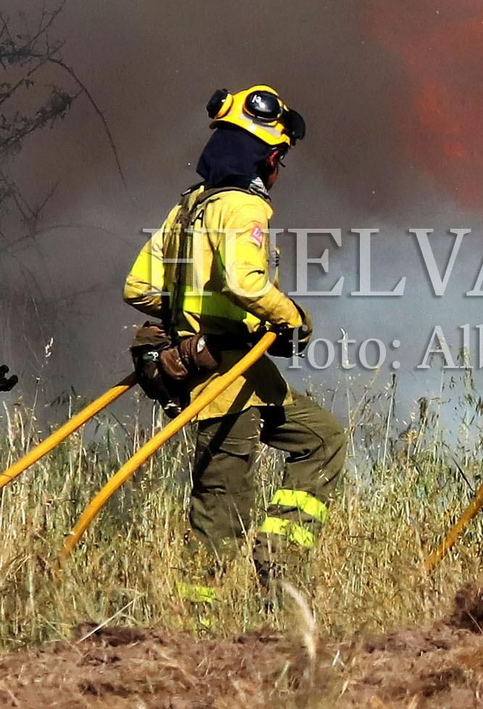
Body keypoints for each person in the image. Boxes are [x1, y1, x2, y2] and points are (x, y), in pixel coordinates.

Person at [123, 85, 346, 595]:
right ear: (268, 156)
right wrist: (292, 318)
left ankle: (279, 560)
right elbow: (246, 283)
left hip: (243, 368)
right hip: (221, 380)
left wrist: (184, 316)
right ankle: (199, 629)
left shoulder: (188, 208)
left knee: (322, 438)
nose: (277, 170)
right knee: (222, 509)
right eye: (279, 159)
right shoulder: (245, 208)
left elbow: (136, 287)